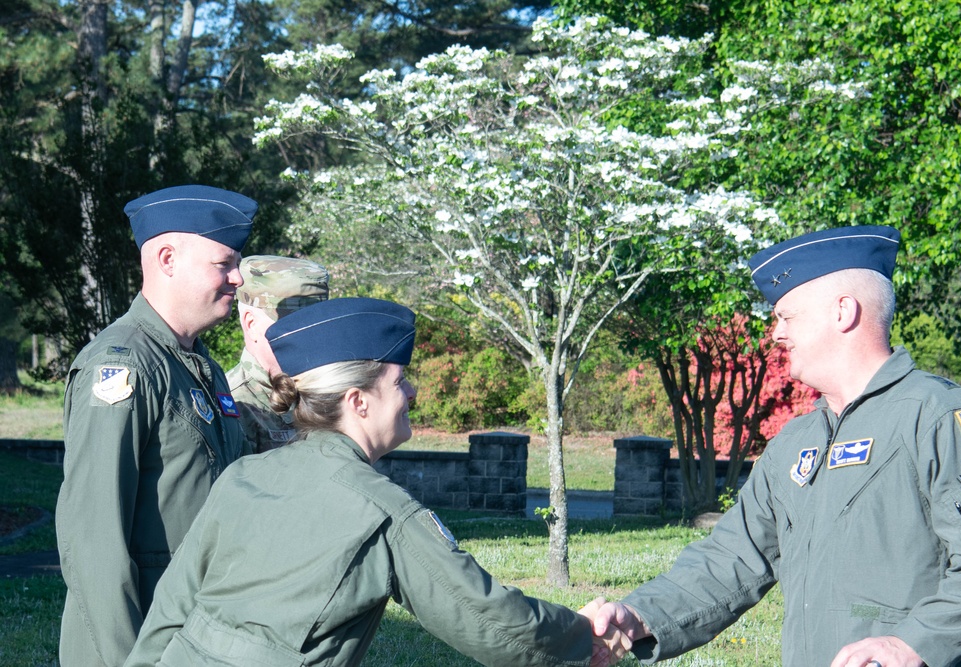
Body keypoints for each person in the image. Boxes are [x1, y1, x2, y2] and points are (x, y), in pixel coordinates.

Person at [588, 225, 961, 667]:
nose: (776, 334)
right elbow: (731, 557)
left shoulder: (936, 415)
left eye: (787, 316)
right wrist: (639, 615)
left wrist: (913, 643)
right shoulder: (795, 443)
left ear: (844, 311)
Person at [123, 296, 599, 667]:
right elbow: (494, 624)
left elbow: (170, 608)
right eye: (399, 380)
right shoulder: (382, 511)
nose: (412, 391)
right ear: (359, 401)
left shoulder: (243, 475)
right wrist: (589, 634)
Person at [56, 184, 256, 667]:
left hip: (192, 636)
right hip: (140, 645)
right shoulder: (123, 365)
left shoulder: (198, 365)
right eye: (224, 263)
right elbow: (94, 542)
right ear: (167, 258)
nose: (237, 279)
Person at [226, 254, 329, 452]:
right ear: (251, 324)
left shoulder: (326, 392)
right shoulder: (235, 403)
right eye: (291, 326)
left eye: (314, 325)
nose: (307, 336)